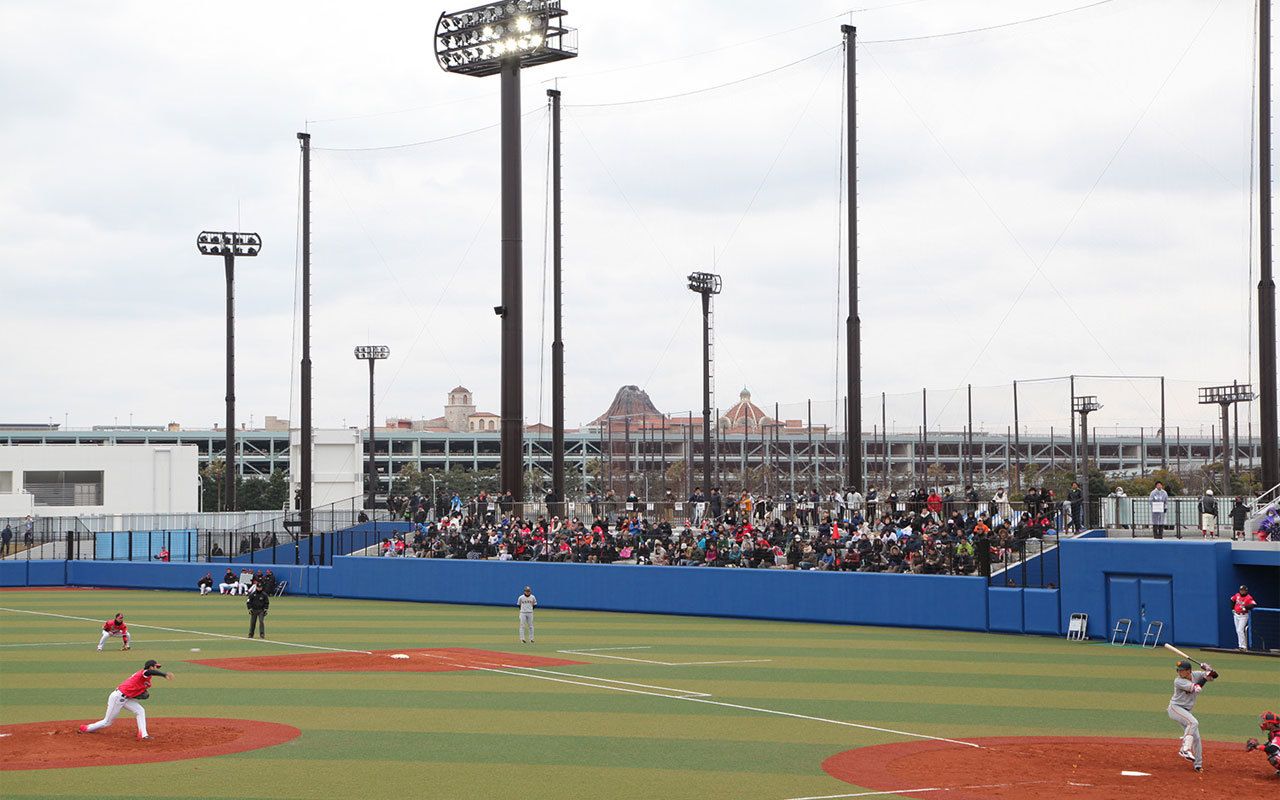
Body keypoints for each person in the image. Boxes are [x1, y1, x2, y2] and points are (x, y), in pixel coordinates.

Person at [78, 659, 172, 740]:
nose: (157, 668)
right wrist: (164, 675)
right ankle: (86, 728)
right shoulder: (144, 673)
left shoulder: (145, 679)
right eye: (156, 667)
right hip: (117, 697)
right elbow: (149, 672)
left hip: (126, 698)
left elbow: (135, 690)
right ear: (151, 667)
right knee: (107, 722)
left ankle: (143, 735)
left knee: (140, 711)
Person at [1167, 658, 1218, 772]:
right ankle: (1185, 749)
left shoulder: (1196, 674)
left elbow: (1214, 677)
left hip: (1186, 711)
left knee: (1197, 738)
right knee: (1193, 722)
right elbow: (1197, 688)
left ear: (1189, 671)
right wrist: (1205, 675)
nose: (1179, 672)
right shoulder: (1178, 681)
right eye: (1178, 670)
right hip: (1175, 708)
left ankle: (1198, 765)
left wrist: (1209, 670)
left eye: (1182, 670)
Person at [1245, 710, 1280, 777]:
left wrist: (1258, 746)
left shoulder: (1278, 734)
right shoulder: (1273, 732)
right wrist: (1256, 746)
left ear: (1271, 724)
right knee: (1269, 750)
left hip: (1273, 749)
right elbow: (1268, 745)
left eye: (1266, 722)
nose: (1263, 723)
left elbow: (1273, 749)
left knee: (1274, 758)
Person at [1231, 585, 1258, 651]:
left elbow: (1253, 604)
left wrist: (1245, 607)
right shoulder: (1237, 595)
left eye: (1243, 590)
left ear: (1246, 591)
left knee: (1240, 630)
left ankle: (1243, 646)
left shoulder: (1248, 597)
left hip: (1243, 615)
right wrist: (1232, 608)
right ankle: (1240, 646)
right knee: (1238, 631)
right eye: (1241, 590)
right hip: (1236, 615)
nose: (1242, 591)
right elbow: (1232, 599)